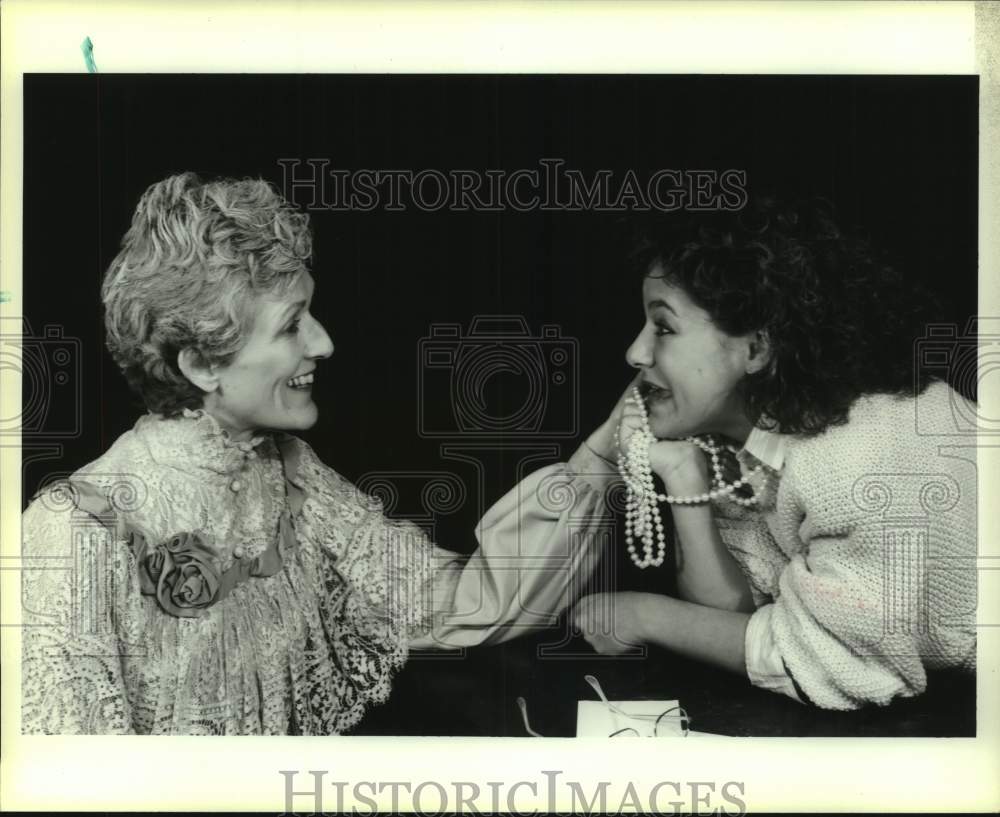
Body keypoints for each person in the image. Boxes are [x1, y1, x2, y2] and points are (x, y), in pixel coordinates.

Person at [20, 172, 617, 735]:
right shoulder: (72, 532)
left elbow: (467, 603)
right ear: (203, 365)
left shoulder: (290, 473)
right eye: (291, 325)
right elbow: (67, 781)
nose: (324, 342)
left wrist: (599, 456)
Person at [571, 197, 977, 710]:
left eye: (664, 327)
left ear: (757, 349)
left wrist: (645, 617)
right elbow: (744, 613)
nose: (636, 353)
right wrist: (687, 483)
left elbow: (831, 663)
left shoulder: (860, 458)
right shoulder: (742, 437)